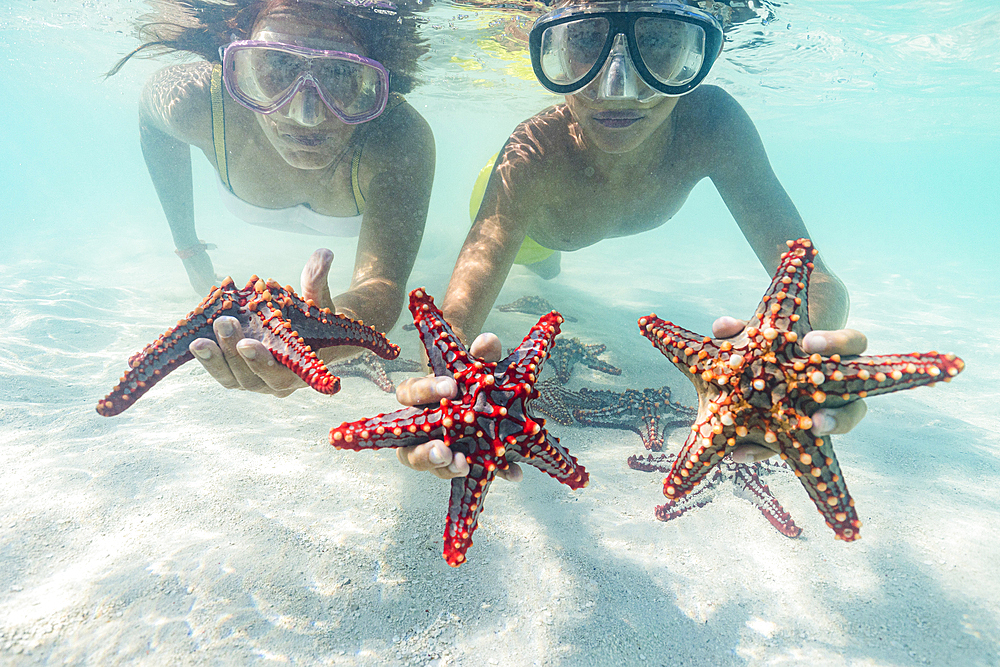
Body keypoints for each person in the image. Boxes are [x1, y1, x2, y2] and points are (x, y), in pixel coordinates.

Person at [395, 0, 869, 479]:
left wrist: (795, 364)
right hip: (528, 226)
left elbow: (816, 279)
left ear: (695, 51)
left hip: (570, 224)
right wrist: (445, 390)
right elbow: (453, 320)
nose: (616, 87)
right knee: (541, 265)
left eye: (657, 39)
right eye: (585, 40)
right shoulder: (534, 154)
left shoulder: (713, 125)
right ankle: (539, 261)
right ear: (553, 48)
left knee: (552, 271)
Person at [109, 0, 434, 393]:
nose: (306, 114)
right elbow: (151, 117)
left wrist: (329, 331)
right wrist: (187, 246)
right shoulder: (195, 102)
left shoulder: (398, 140)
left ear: (374, 82)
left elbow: (381, 283)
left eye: (340, 72)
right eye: (277, 66)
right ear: (237, 66)